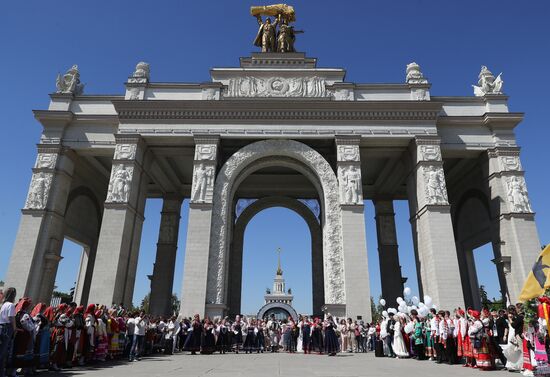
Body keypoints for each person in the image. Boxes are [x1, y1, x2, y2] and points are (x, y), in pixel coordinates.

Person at [0, 287, 16, 377]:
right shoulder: (11, 305)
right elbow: (11, 318)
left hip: (1, 326)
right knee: (3, 353)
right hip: (7, 328)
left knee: (3, 353)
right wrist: (14, 328)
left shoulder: (3, 304)